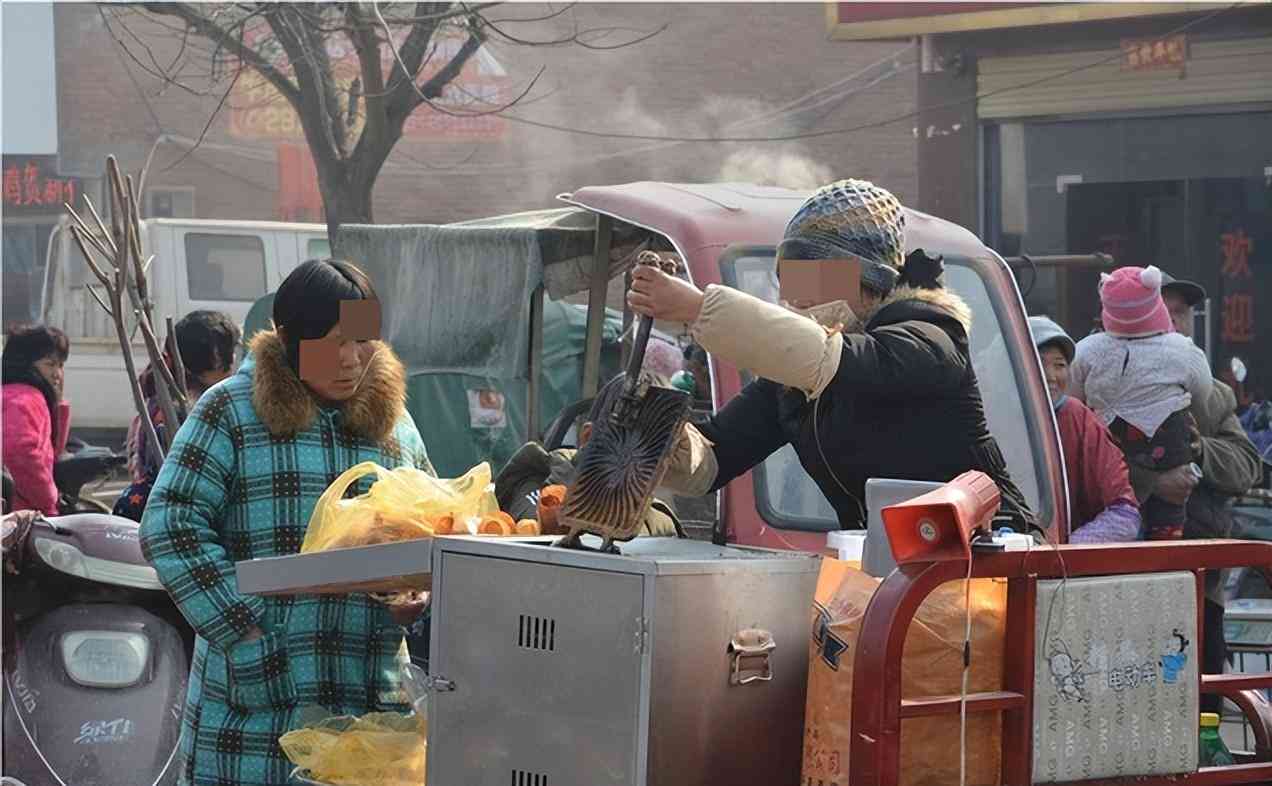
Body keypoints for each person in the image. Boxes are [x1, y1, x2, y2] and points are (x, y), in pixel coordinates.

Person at [139, 259, 433, 786]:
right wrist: (248, 630)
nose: (349, 360)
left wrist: (419, 595)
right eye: (329, 343)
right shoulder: (230, 411)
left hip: (368, 693)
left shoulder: (396, 427)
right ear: (290, 338)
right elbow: (171, 526)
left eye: (362, 341)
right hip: (259, 700)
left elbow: (432, 527)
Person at [626, 179, 1033, 529]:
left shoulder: (929, 337)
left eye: (811, 276)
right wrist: (639, 446)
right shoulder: (792, 382)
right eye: (787, 279)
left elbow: (839, 360)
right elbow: (713, 456)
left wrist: (699, 310)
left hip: (989, 561)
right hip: (889, 566)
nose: (791, 296)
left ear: (867, 281)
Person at [1158, 272, 1262, 713]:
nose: (1172, 322)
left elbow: (1246, 466)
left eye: (1180, 312)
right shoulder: (1105, 389)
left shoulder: (1211, 394)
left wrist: (1199, 449)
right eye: (1162, 310)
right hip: (1128, 581)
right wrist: (1151, 482)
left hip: (1204, 588)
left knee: (1205, 708)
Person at [1070, 266, 1212, 541]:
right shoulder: (1186, 352)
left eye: (1181, 311)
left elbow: (1074, 400)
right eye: (1168, 310)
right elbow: (1202, 394)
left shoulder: (1085, 351)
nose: (1175, 321)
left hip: (1110, 466)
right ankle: (1166, 541)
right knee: (1167, 528)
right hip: (1165, 459)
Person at [495, 373, 682, 538]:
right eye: (626, 449)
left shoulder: (657, 520)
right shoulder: (538, 486)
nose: (641, 466)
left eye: (653, 453)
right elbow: (538, 539)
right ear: (588, 437)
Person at [113, 310, 241, 521]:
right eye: (227, 356)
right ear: (213, 359)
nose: (233, 363)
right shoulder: (186, 411)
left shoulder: (158, 396)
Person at [1029, 316, 1140, 543]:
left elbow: (1124, 515)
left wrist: (1066, 551)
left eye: (1059, 365)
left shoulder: (1079, 419)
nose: (1051, 376)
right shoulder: (991, 413)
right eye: (1039, 363)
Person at [1, 325, 71, 516]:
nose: (57, 374)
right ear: (25, 364)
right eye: (50, 364)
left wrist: (58, 404)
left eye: (61, 365)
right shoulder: (26, 399)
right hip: (19, 515)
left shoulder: (10, 393)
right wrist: (48, 497)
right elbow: (19, 451)